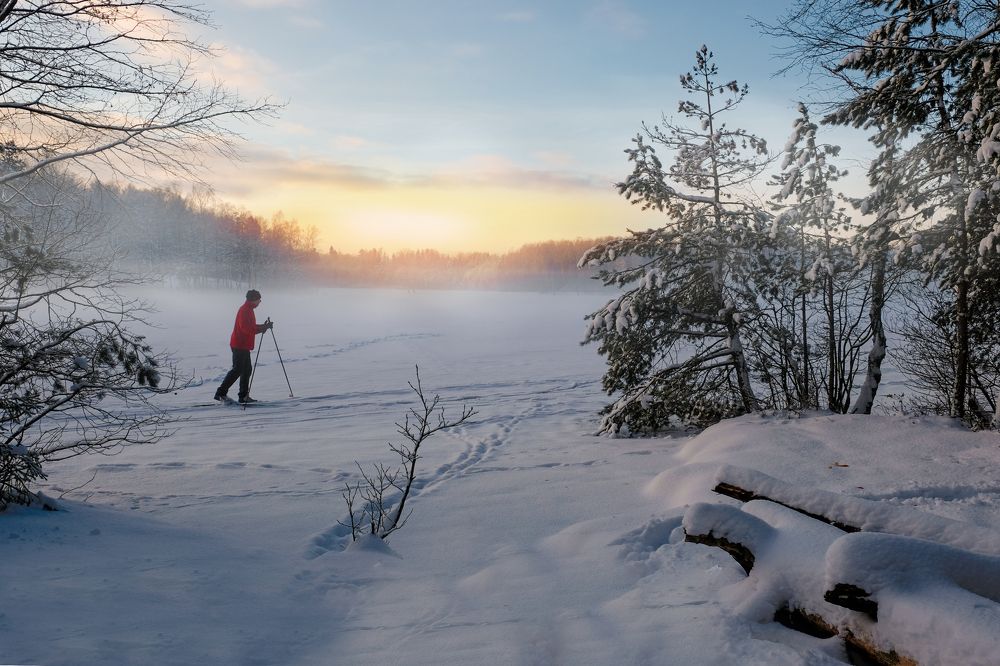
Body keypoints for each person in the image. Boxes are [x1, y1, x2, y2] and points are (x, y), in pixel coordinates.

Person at [214, 289, 273, 404]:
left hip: (243, 345)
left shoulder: (248, 309)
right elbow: (246, 329)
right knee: (238, 370)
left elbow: (251, 326)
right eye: (259, 299)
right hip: (239, 344)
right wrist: (262, 328)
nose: (260, 302)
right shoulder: (244, 310)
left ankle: (243, 396)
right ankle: (221, 393)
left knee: (246, 370)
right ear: (253, 299)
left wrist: (263, 326)